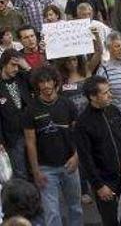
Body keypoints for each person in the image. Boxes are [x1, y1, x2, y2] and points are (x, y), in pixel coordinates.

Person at [23, 65, 83, 226]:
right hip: (45, 169)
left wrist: (77, 157)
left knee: (75, 208)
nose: (46, 86)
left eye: (49, 81)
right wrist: (35, 170)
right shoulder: (31, 110)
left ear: (55, 82)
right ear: (37, 85)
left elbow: (78, 134)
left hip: (70, 164)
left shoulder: (68, 105)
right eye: (42, 82)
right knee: (52, 213)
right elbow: (30, 142)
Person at [75, 75, 121, 226]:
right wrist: (99, 186)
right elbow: (86, 159)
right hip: (105, 182)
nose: (110, 95)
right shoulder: (83, 123)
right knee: (111, 220)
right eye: (106, 93)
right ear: (92, 97)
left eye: (110, 91)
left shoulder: (114, 110)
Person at [0, 50, 32, 179]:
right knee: (20, 171)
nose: (16, 68)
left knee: (36, 167)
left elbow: (39, 82)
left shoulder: (23, 77)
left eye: (18, 65)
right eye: (13, 65)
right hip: (12, 136)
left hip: (30, 130)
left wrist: (28, 67)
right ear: (3, 64)